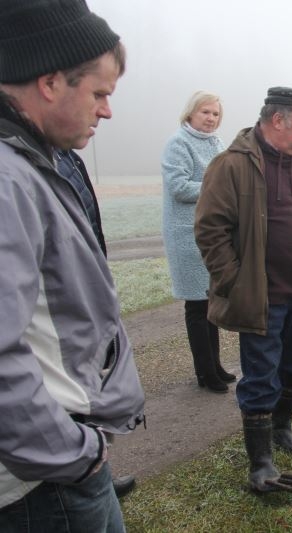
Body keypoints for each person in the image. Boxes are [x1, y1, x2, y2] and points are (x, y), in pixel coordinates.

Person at [0, 0, 145, 531]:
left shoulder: (33, 161)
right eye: (99, 93)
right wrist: (75, 453)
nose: (106, 110)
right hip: (42, 485)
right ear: (50, 82)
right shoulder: (8, 179)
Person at [195, 86, 292, 492]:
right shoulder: (232, 166)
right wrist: (235, 283)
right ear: (278, 120)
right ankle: (260, 462)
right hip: (261, 297)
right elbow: (210, 230)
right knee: (261, 377)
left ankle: (281, 427)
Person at [55, 149, 137, 499]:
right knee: (65, 389)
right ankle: (78, 470)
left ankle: (99, 465)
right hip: (59, 299)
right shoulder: (24, 164)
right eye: (96, 94)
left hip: (82, 289)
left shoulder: (67, 158)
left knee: (89, 384)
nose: (104, 112)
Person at [161, 91, 235, 393]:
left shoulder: (217, 144)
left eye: (215, 114)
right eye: (205, 112)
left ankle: (214, 365)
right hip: (186, 234)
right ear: (191, 113)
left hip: (213, 233)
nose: (210, 118)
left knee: (212, 302)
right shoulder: (178, 143)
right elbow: (178, 187)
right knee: (197, 305)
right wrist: (216, 187)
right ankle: (205, 373)